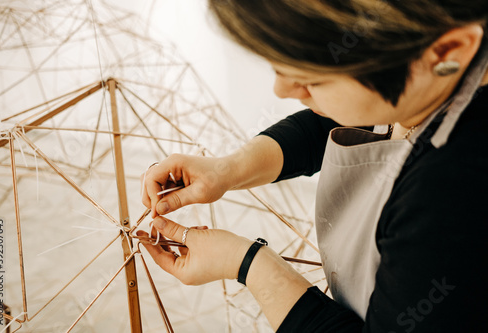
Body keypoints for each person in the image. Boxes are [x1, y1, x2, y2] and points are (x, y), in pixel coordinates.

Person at [138, 1, 488, 331]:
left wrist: (248, 264)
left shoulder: (456, 192)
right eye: (279, 66)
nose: (281, 89)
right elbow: (335, 125)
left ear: (446, 53)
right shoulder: (423, 81)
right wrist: (227, 169)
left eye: (313, 77)